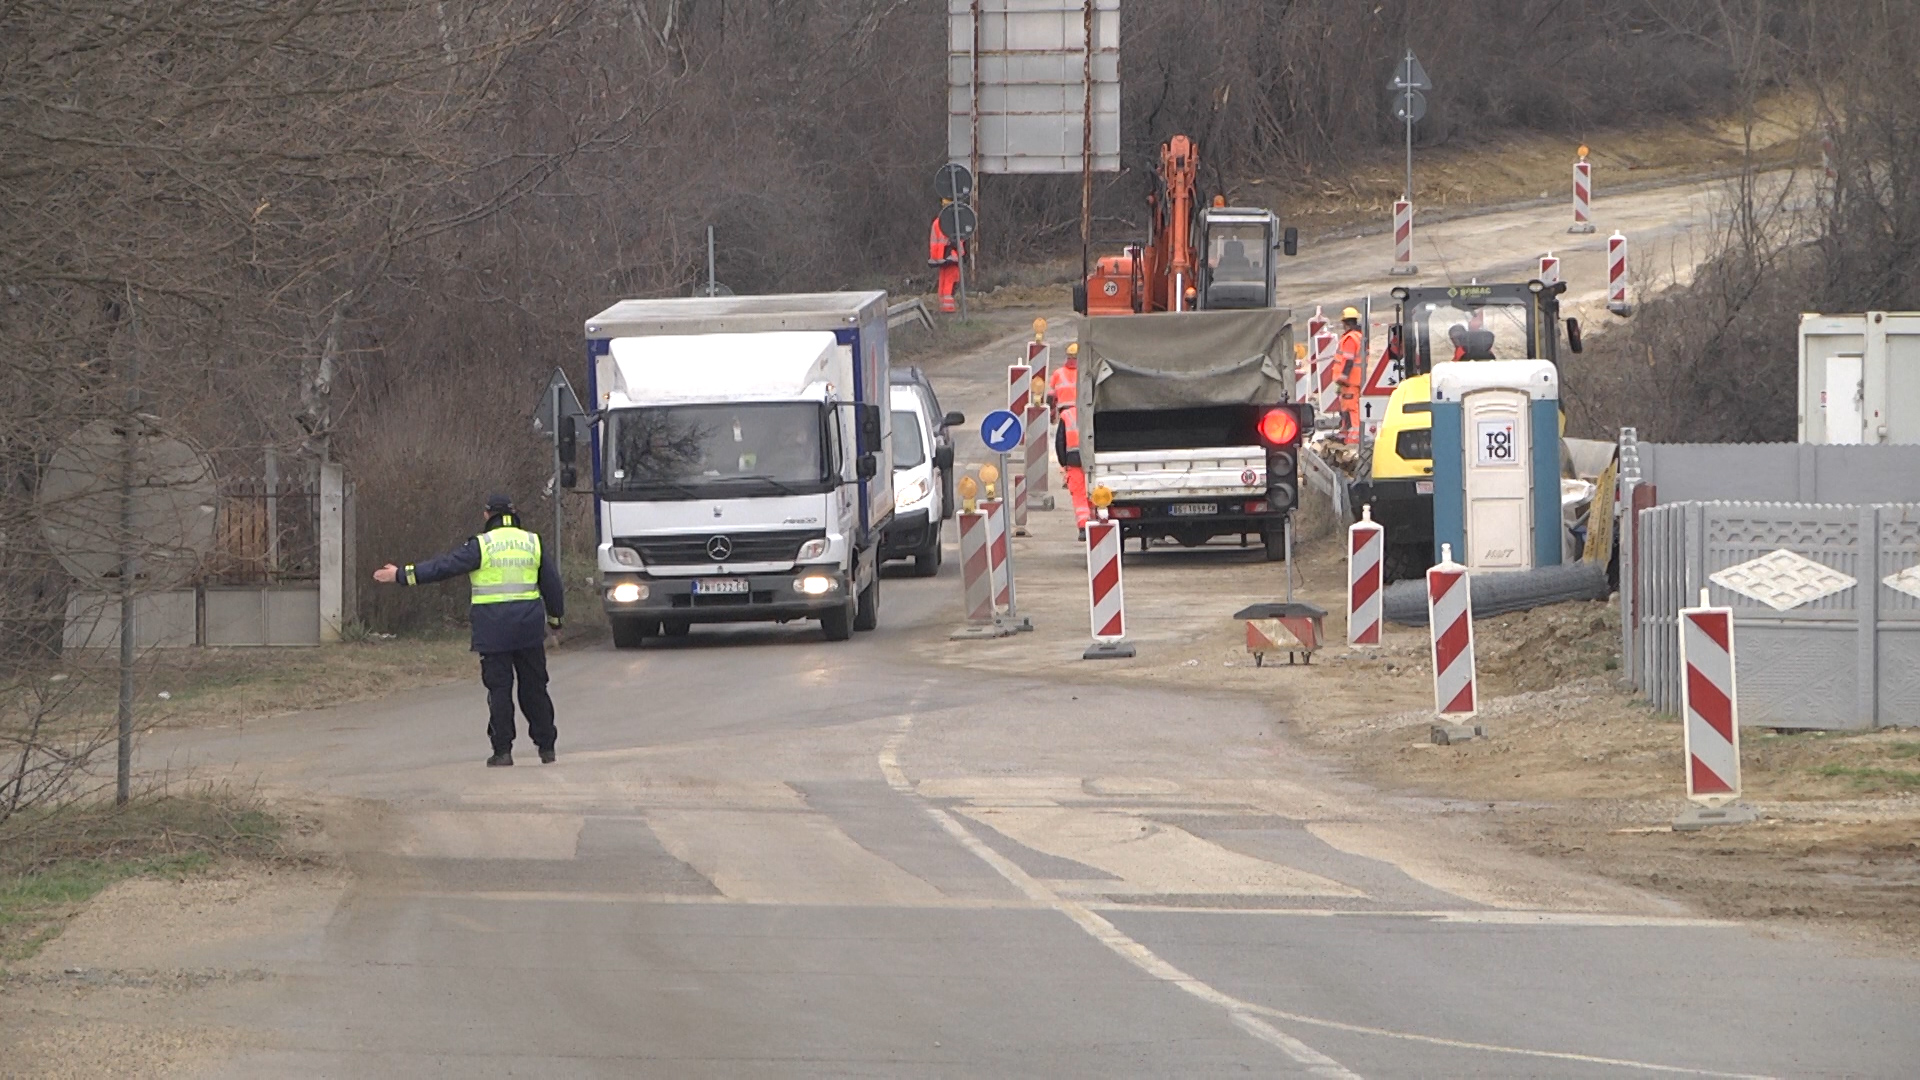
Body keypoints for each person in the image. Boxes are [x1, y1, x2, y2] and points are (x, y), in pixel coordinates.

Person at [373, 494, 564, 767]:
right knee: (535, 688)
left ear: (487, 515)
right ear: (514, 513)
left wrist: (402, 574)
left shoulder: (481, 545)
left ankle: (503, 752)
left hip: (493, 631)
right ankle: (546, 748)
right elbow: (552, 585)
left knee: (499, 691)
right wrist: (556, 620)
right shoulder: (533, 542)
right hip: (528, 630)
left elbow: (443, 567)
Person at [1049, 342, 1089, 537]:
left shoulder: (1058, 374)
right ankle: (1099, 521)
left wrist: (1064, 464)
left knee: (1079, 493)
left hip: (1073, 457)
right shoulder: (1087, 374)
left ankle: (1083, 525)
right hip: (1091, 455)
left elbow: (1059, 444)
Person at [1335, 307, 1366, 444]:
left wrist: (1343, 377)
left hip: (1350, 382)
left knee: (1351, 410)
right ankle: (1346, 436)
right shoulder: (1360, 336)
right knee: (1349, 410)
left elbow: (1348, 359)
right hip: (1356, 380)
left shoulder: (1350, 338)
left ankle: (1353, 440)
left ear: (1344, 322)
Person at [929, 213, 964, 314]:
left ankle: (942, 306)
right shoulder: (952, 222)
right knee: (950, 282)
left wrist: (936, 258)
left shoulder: (937, 222)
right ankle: (948, 307)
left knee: (944, 282)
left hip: (940, 258)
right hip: (952, 256)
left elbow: (935, 242)